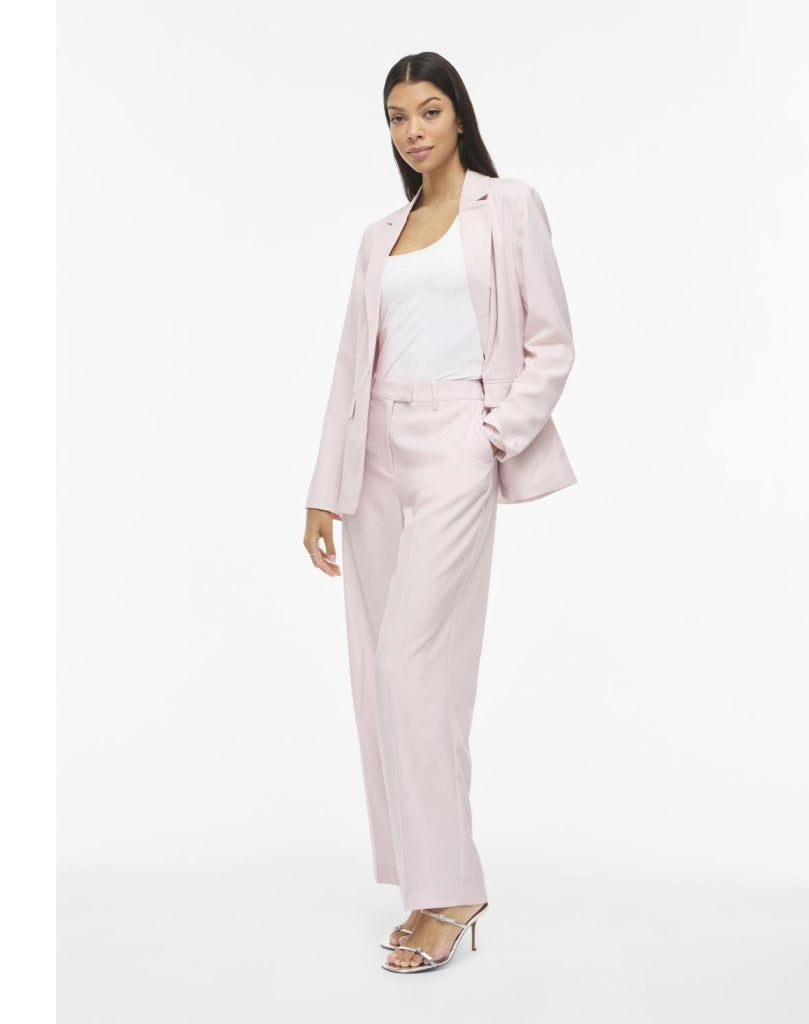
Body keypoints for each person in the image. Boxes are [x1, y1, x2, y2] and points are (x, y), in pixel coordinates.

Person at [302, 50, 577, 974]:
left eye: (428, 110)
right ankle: (428, 883)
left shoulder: (511, 206)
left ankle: (453, 888)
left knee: (409, 662)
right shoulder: (380, 234)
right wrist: (324, 487)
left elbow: (552, 341)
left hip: (461, 437)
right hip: (375, 452)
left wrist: (493, 436)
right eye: (396, 116)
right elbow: (352, 366)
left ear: (459, 114)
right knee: (384, 674)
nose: (412, 130)